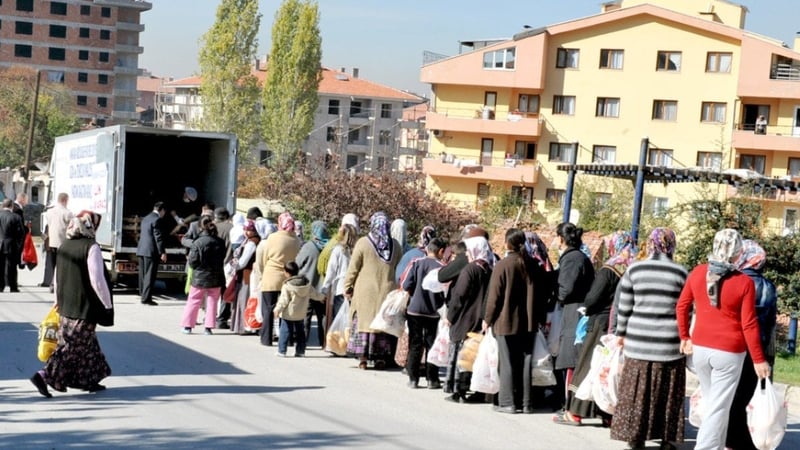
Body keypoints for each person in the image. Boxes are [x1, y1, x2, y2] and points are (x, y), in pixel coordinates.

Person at [676, 229, 770, 450]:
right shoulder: (744, 282)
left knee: (714, 403)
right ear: (738, 253)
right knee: (718, 408)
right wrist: (758, 359)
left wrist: (684, 336)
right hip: (729, 352)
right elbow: (749, 324)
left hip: (700, 348)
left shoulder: (698, 272)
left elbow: (682, 306)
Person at [611, 228, 688, 450]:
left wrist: (620, 333)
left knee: (637, 392)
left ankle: (635, 438)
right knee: (668, 393)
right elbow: (686, 309)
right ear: (672, 245)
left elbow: (624, 306)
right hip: (669, 344)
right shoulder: (681, 272)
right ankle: (666, 439)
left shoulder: (635, 269)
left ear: (651, 244)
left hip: (638, 342)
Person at [30, 211, 113, 397]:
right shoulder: (91, 247)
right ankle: (44, 375)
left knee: (88, 344)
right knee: (72, 345)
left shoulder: (64, 245)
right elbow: (97, 280)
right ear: (91, 227)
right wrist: (107, 304)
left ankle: (90, 379)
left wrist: (57, 300)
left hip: (66, 306)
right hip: (84, 307)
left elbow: (57, 276)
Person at [557, 230, 634, 426]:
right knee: (611, 369)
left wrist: (586, 308)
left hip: (601, 324)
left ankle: (575, 412)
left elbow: (593, 298)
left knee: (589, 365)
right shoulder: (633, 268)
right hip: (623, 327)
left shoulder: (609, 269)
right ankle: (607, 414)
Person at [483, 228, 549, 414]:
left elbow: (494, 297)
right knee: (525, 362)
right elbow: (542, 295)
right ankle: (526, 402)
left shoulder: (503, 265)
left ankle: (507, 402)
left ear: (507, 243)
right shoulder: (533, 265)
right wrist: (540, 318)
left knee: (507, 362)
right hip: (529, 323)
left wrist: (487, 319)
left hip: (506, 321)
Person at [726, 239, 778, 450]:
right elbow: (770, 321)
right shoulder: (768, 287)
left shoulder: (733, 281)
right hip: (759, 347)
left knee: (732, 395)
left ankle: (731, 440)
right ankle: (750, 440)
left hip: (734, 345)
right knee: (750, 396)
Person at [344, 211, 401, 370]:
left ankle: (363, 359)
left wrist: (347, 286)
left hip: (365, 291)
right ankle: (380, 359)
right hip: (387, 291)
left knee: (364, 323)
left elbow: (353, 268)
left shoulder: (363, 243)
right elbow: (397, 266)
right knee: (382, 325)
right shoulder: (395, 245)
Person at [444, 235, 493, 403]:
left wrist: (450, 316)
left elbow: (459, 295)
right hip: (480, 319)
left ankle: (458, 391)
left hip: (464, 318)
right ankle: (474, 389)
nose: (467, 254)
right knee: (475, 355)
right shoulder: (488, 269)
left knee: (462, 355)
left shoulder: (470, 270)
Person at [552, 222, 594, 413]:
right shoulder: (577, 257)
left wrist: (558, 295)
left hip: (575, 312)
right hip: (576, 311)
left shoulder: (572, 259)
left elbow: (566, 288)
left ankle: (569, 405)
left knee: (570, 360)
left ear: (561, 239)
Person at [402, 236, 447, 389]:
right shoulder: (442, 267)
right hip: (433, 312)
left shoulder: (416, 262)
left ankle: (413, 378)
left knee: (415, 343)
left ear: (427, 249)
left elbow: (405, 283)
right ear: (441, 251)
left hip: (414, 310)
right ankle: (432, 379)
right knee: (431, 344)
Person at [256, 211, 301, 346]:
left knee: (268, 308)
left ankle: (266, 339)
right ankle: (287, 339)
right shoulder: (296, 240)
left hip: (271, 275)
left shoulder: (272, 237)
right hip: (289, 276)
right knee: (286, 309)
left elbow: (265, 258)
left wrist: (263, 273)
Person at [180, 216, 226, 335]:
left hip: (199, 276)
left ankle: (188, 326)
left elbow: (193, 261)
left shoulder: (198, 242)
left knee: (194, 300)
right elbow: (223, 257)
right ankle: (208, 327)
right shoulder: (220, 242)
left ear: (200, 227)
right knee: (212, 301)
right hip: (216, 275)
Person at [273, 261, 325, 357]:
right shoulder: (306, 284)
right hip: (301, 313)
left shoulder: (287, 286)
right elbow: (314, 293)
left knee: (285, 331)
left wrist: (277, 309)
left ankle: (282, 351)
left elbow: (283, 300)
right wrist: (322, 297)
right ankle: (300, 351)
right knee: (300, 332)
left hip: (289, 314)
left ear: (287, 273)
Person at [297, 220, 329, 347]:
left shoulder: (308, 247)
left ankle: (302, 343)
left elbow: (298, 263)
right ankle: (324, 343)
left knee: (306, 316)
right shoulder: (330, 248)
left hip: (308, 287)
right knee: (323, 317)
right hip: (323, 289)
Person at [321, 223, 357, 329]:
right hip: (354, 289)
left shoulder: (338, 250)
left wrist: (324, 290)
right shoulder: (357, 250)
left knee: (339, 319)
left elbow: (331, 271)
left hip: (340, 288)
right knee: (350, 320)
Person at [230, 220, 261, 334]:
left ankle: (244, 326)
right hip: (248, 274)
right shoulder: (251, 240)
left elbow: (243, 262)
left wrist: (235, 265)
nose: (246, 232)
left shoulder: (252, 243)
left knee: (244, 299)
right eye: (245, 229)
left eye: (249, 230)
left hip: (246, 274)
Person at [136, 201, 167, 306]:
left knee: (143, 274)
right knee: (149, 275)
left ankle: (143, 294)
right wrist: (162, 252)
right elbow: (158, 237)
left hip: (141, 249)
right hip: (151, 251)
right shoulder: (157, 219)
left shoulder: (146, 218)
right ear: (162, 210)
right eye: (164, 212)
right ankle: (146, 299)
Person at [42, 193, 74, 292]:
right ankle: (59, 285)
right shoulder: (67, 213)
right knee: (62, 266)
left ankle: (52, 284)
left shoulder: (49, 212)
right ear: (65, 200)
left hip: (52, 242)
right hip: (63, 243)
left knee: (53, 265)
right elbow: (72, 227)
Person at [0, 198, 25, 292]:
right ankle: (13, 286)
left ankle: (0, 286)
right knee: (12, 266)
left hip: (0, 242)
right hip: (11, 244)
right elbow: (21, 233)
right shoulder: (16, 217)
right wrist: (19, 244)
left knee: (0, 265)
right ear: (12, 206)